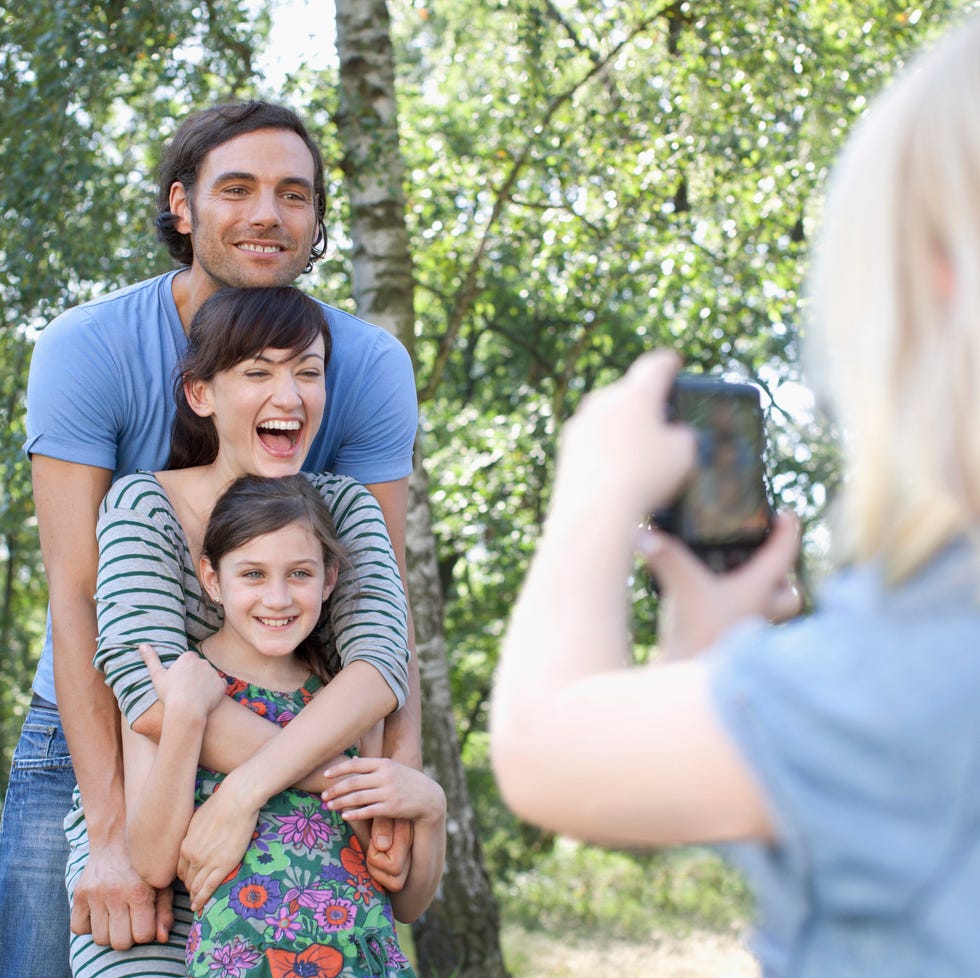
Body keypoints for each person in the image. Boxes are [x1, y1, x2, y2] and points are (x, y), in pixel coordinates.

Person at [491, 15, 980, 977]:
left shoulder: (923, 664)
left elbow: (546, 750)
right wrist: (721, 665)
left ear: (934, 284)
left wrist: (594, 489)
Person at [0, 99, 418, 978]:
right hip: (105, 727)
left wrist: (396, 799)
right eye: (238, 189)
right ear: (181, 206)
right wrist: (114, 834)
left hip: (304, 725)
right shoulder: (90, 349)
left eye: (294, 195)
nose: (269, 214)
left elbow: (383, 618)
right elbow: (78, 600)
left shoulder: (366, 364)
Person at [65, 284, 419, 976]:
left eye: (307, 372)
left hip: (308, 849)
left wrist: (245, 791)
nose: (288, 396)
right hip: (166, 835)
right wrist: (341, 780)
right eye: (258, 372)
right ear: (202, 394)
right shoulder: (144, 504)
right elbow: (151, 696)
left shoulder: (342, 505)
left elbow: (381, 665)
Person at [125, 474, 444, 977]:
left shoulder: (344, 701)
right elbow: (152, 861)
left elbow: (404, 899)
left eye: (299, 573)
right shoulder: (180, 687)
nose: (277, 599)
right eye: (252, 574)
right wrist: (186, 716)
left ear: (329, 578)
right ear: (211, 579)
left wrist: (432, 811)